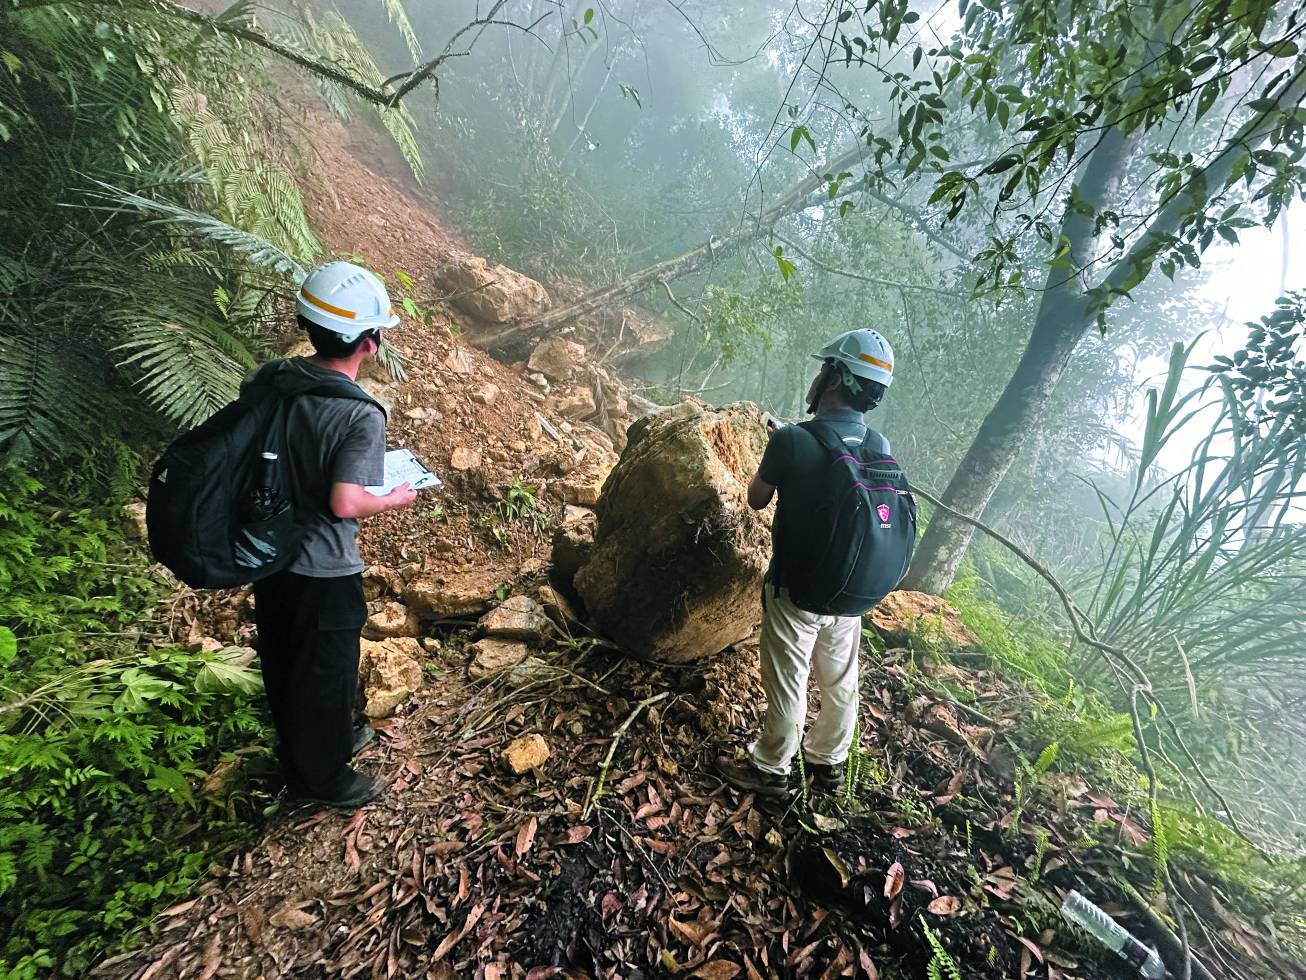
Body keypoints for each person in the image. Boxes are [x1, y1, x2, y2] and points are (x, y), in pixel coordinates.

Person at [249, 261, 416, 808]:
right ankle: (322, 781)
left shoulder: (273, 379)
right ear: (368, 343)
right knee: (325, 669)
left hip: (271, 553)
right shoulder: (359, 413)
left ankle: (318, 745)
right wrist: (394, 496)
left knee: (284, 658)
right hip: (323, 565)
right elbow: (346, 501)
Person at [719, 328, 897, 801]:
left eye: (825, 368)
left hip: (796, 591)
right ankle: (828, 764)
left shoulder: (793, 441)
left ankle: (772, 768)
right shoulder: (879, 445)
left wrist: (782, 449)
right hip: (851, 593)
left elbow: (756, 500)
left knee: (788, 681)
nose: (818, 375)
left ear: (835, 377)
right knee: (840, 682)